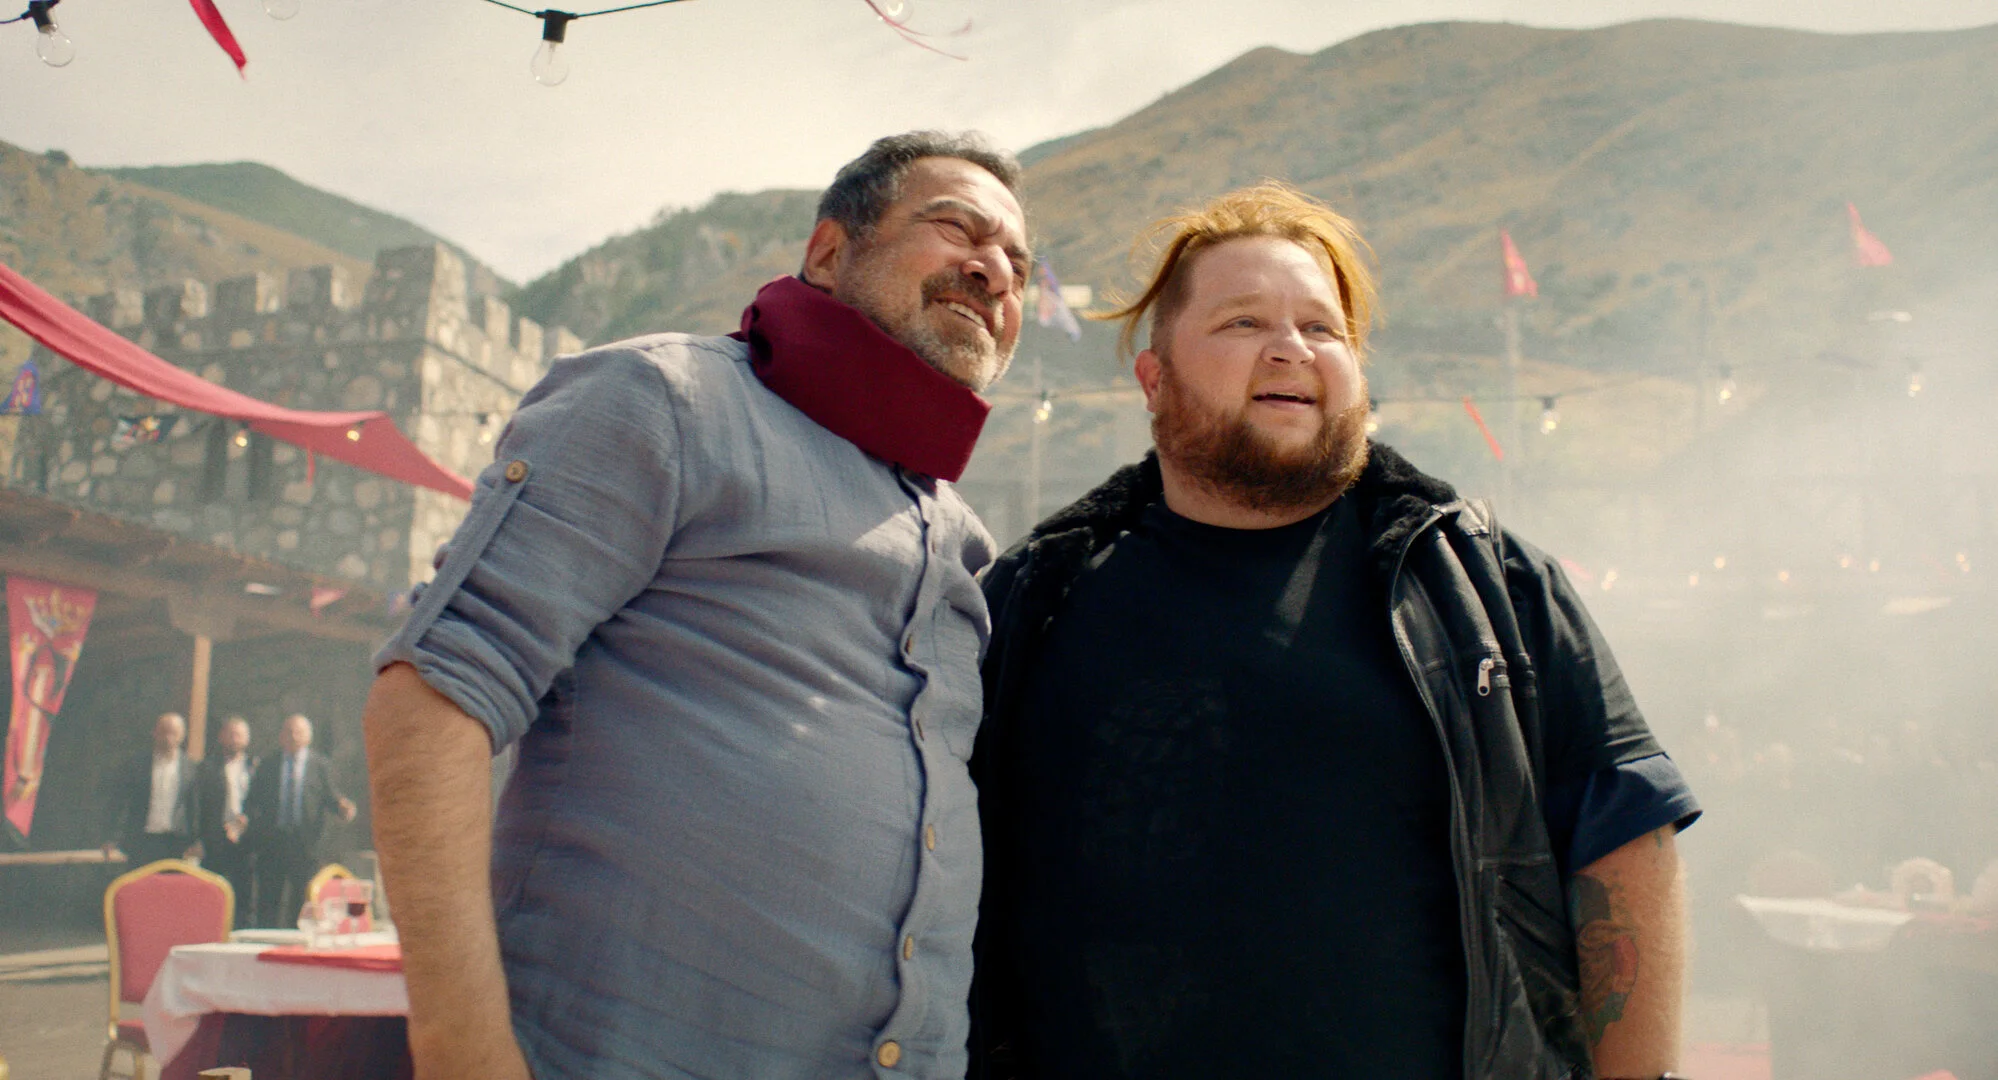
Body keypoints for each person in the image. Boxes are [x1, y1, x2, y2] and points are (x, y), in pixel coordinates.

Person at [970, 183, 1701, 1080]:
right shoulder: (1034, 599)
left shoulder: (1487, 583)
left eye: (1322, 327)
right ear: (1154, 380)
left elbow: (1623, 841)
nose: (1291, 347)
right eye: (1243, 322)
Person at [364, 130, 1028, 1080]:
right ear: (829, 253)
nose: (992, 270)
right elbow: (433, 699)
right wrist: (464, 1055)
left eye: (1016, 262)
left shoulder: (963, 541)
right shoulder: (664, 400)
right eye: (956, 228)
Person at [244, 714, 356, 927]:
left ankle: (297, 939)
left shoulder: (320, 765)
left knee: (302, 899)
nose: (294, 736)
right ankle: (266, 938)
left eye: (299, 732)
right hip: (272, 842)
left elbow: (331, 797)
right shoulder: (268, 764)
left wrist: (343, 808)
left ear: (308, 737)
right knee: (269, 899)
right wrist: (247, 821)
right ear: (281, 736)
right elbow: (252, 800)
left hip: (306, 844)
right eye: (289, 731)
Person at [107, 712, 198, 867]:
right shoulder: (137, 765)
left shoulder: (192, 769)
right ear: (154, 733)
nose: (168, 738)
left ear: (182, 736)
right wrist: (111, 837)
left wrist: (196, 840)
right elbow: (118, 801)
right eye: (164, 732)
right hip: (142, 841)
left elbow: (195, 808)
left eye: (173, 733)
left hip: (176, 843)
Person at [195, 716, 255, 923]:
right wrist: (198, 838)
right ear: (221, 737)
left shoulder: (255, 767)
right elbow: (199, 804)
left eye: (239, 735)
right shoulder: (207, 767)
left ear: (247, 739)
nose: (235, 739)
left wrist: (247, 820)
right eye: (231, 734)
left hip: (246, 840)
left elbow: (262, 802)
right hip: (215, 838)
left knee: (244, 894)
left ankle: (241, 933)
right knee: (212, 892)